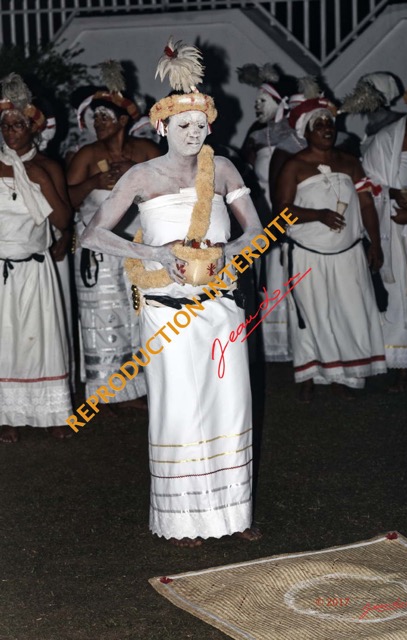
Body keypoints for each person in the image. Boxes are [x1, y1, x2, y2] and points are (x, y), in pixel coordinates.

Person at [81, 39, 263, 547]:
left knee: (230, 404)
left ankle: (233, 513)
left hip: (221, 308)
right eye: (183, 126)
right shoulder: (141, 176)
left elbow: (258, 231)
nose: (193, 134)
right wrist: (158, 255)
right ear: (162, 127)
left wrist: (226, 253)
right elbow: (92, 234)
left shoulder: (222, 170)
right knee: (181, 408)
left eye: (201, 126)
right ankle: (182, 521)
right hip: (166, 312)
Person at [275, 97, 387, 402]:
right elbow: (281, 212)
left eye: (329, 124)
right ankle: (310, 375)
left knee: (350, 312)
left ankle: (345, 377)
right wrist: (318, 215)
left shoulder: (350, 162)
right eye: (319, 125)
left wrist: (374, 244)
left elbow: (366, 204)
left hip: (349, 252)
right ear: (306, 131)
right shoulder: (294, 165)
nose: (326, 129)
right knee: (312, 316)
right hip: (308, 253)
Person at [67, 61, 161, 409]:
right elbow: (67, 200)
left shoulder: (145, 152)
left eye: (104, 118)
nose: (97, 123)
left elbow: (170, 190)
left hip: (138, 247)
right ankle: (108, 391)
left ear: (123, 121)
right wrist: (94, 182)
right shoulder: (86, 156)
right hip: (99, 252)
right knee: (104, 316)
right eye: (94, 118)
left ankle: (142, 385)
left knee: (140, 314)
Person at [0, 73, 73, 442]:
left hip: (36, 269)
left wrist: (40, 183)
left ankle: (53, 412)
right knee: (5, 342)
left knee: (42, 342)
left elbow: (63, 220)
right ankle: (5, 417)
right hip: (1, 270)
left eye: (18, 124)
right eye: (6, 125)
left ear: (33, 128)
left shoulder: (47, 167)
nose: (11, 131)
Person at [362, 75, 407, 390]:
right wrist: (392, 197)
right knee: (401, 295)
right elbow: (368, 184)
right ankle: (401, 367)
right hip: (395, 232)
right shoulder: (387, 140)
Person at [238, 64, 301, 362]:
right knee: (268, 277)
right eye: (256, 101)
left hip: (290, 216)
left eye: (263, 101)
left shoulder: (296, 135)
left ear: (279, 103)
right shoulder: (254, 134)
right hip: (261, 217)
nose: (256, 106)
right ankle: (272, 344)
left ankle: (298, 342)